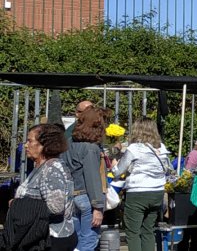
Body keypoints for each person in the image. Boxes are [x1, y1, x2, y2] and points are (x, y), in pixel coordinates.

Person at [7, 123, 75, 251]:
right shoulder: (41, 167)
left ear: (45, 145)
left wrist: (18, 205)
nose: (26, 145)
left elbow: (56, 207)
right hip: (40, 237)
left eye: (30, 141)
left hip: (51, 239)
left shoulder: (52, 169)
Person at [113, 118, 170, 251]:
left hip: (138, 193)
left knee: (133, 232)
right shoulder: (162, 147)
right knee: (148, 231)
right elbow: (166, 169)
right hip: (157, 192)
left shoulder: (134, 148)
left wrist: (115, 165)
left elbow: (118, 171)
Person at [62, 106, 106, 251]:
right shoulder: (90, 148)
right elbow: (93, 178)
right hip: (86, 198)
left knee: (76, 240)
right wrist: (98, 207)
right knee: (88, 241)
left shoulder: (67, 143)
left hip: (70, 197)